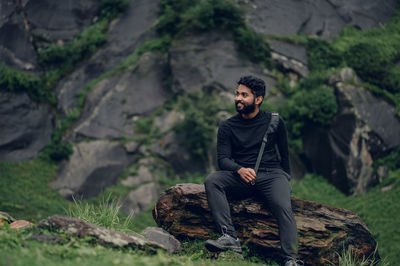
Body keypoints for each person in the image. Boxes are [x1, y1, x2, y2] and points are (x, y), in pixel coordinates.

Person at [204, 76, 302, 266]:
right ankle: (229, 238)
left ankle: (291, 259)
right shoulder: (227, 126)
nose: (238, 99)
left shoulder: (275, 121)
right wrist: (239, 169)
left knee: (283, 207)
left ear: (258, 99)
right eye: (237, 94)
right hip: (241, 177)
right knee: (212, 181)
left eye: (244, 95)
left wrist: (285, 180)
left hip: (272, 175)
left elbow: (285, 154)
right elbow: (223, 159)